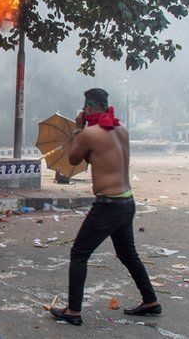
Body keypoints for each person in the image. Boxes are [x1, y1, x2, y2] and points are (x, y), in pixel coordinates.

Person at [48, 88, 159, 326]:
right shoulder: (122, 130)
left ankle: (73, 311)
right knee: (128, 254)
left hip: (108, 205)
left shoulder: (90, 134)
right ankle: (150, 301)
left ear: (87, 108)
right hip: (127, 200)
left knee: (79, 253)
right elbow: (102, 158)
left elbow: (74, 159)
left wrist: (78, 129)